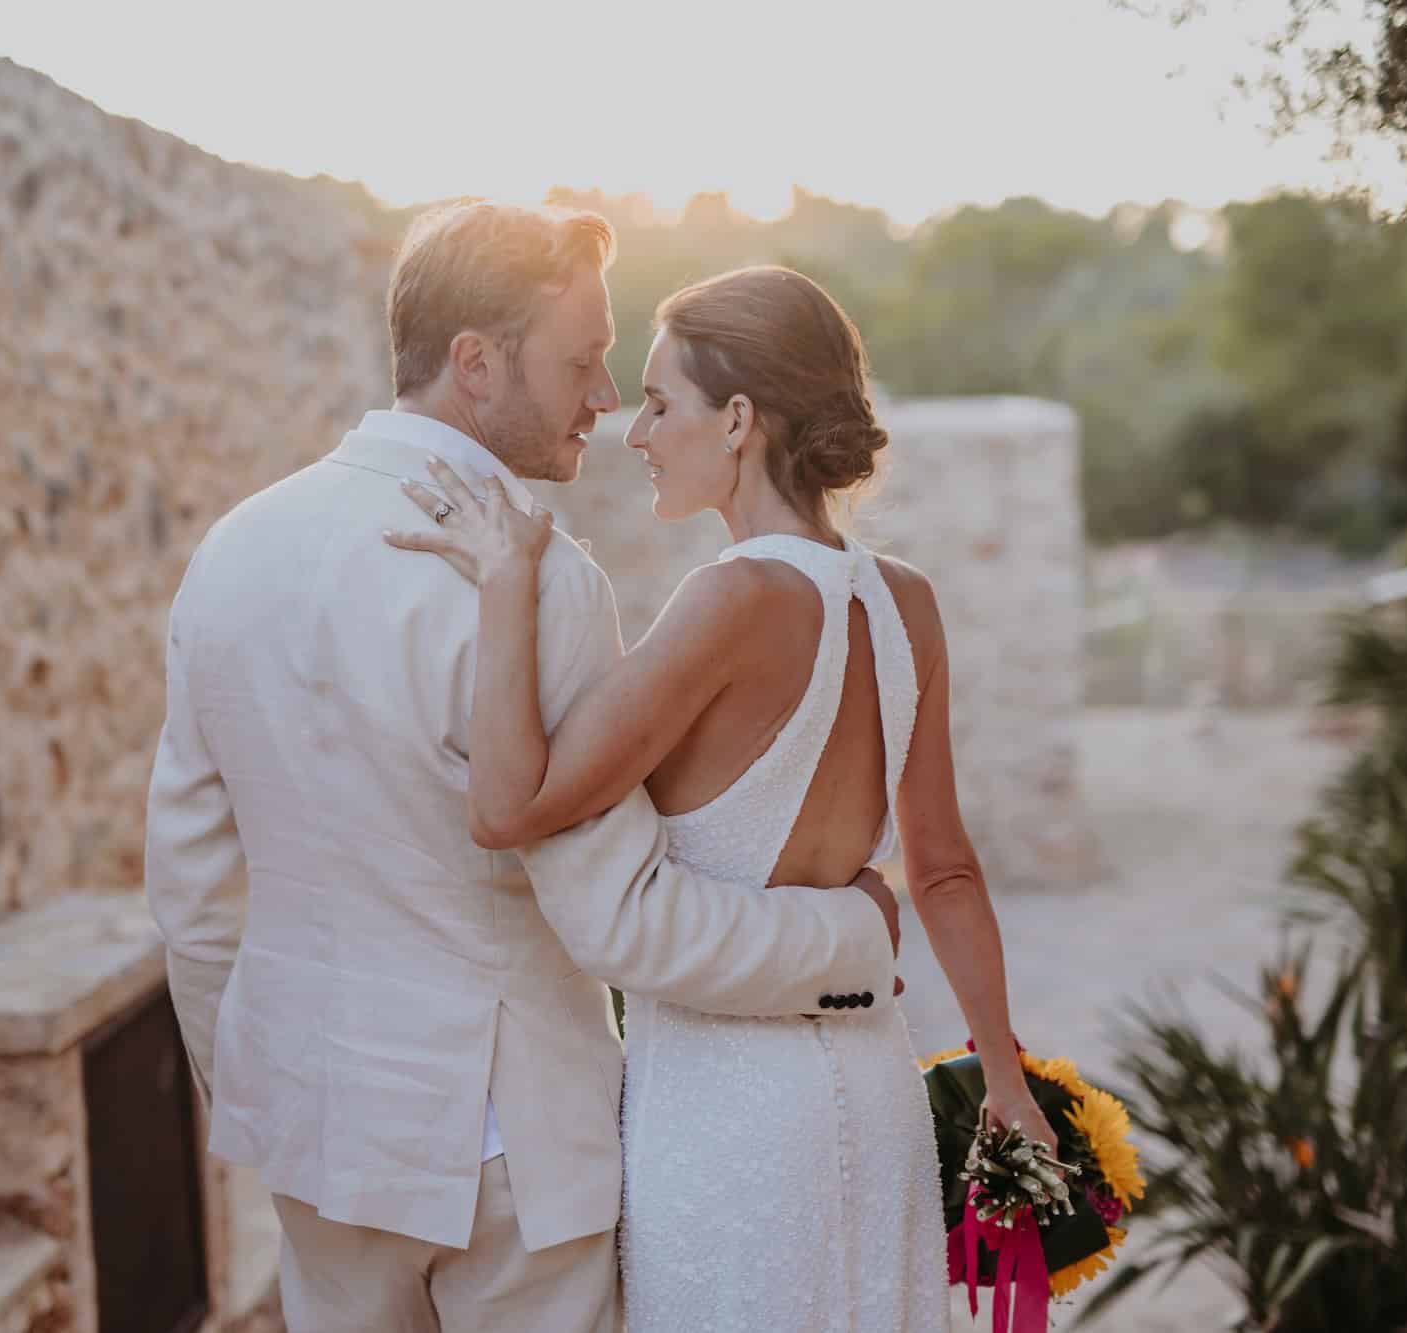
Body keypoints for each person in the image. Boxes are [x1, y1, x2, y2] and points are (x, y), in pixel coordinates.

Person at [143, 205, 904, 1333]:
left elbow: (192, 895)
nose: (604, 397)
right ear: (475, 363)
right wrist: (854, 937)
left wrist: (266, 1090)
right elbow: (620, 920)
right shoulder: (536, 577)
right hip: (511, 1158)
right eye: (582, 361)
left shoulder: (232, 550)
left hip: (313, 1137)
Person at [387, 264, 1050, 1332]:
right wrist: (1004, 1083)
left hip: (723, 1112)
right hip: (871, 1086)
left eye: (658, 403)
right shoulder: (905, 600)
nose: (635, 432)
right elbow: (943, 870)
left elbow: (509, 809)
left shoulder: (732, 598)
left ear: (737, 418)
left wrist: (507, 582)